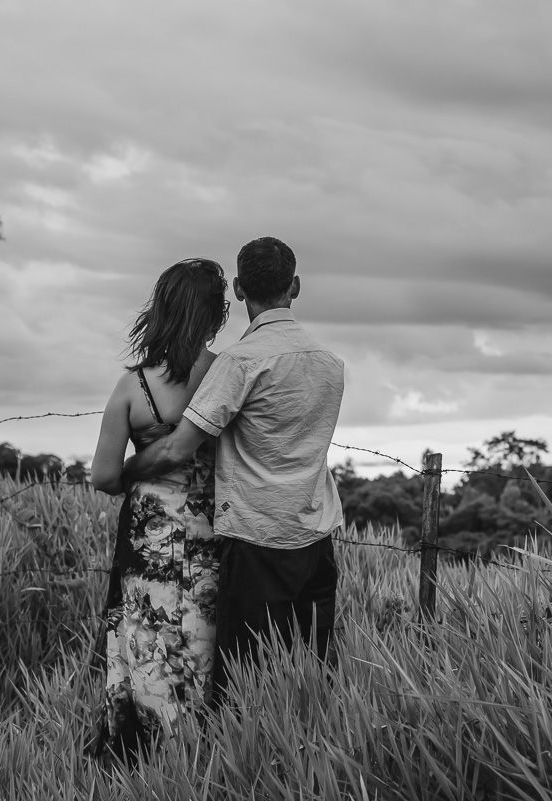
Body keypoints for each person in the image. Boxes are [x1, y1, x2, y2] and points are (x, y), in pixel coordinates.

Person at [122, 236, 345, 707]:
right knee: (313, 673)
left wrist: (124, 471)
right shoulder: (331, 363)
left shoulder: (240, 363)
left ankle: (244, 766)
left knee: (243, 681)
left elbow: (175, 451)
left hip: (256, 540)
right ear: (296, 286)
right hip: (316, 536)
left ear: (240, 289)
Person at [87, 257, 229, 757]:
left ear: (162, 310)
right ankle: (206, 751)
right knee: (204, 637)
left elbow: (103, 475)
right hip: (214, 530)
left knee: (148, 637)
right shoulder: (227, 375)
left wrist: (136, 469)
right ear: (216, 315)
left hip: (148, 536)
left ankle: (149, 750)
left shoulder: (133, 387)